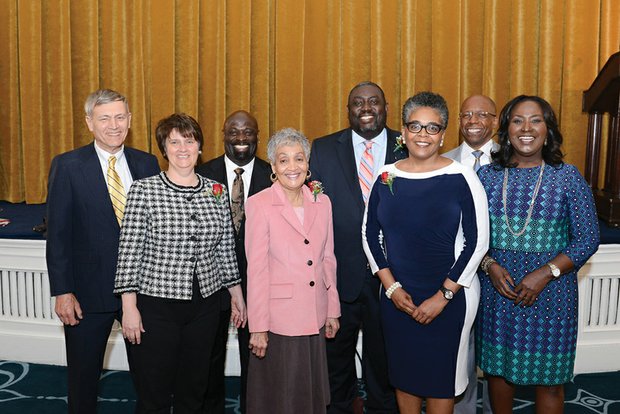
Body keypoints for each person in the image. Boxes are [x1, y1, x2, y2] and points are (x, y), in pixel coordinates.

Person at [362, 91, 489, 414]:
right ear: (403, 132)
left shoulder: (462, 177)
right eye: (415, 126)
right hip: (397, 298)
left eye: (432, 128)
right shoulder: (385, 175)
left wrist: (443, 296)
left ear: (443, 134)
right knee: (404, 375)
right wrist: (391, 288)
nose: (423, 134)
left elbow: (478, 243)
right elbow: (369, 234)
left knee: (440, 379)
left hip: (449, 298)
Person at [114, 113, 246, 413]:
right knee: (155, 392)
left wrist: (237, 295)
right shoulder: (144, 191)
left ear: (200, 146)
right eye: (174, 141)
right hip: (156, 307)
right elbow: (129, 252)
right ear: (164, 148)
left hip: (206, 307)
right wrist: (129, 307)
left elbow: (225, 248)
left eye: (189, 140)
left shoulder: (217, 191)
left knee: (195, 388)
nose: (183, 148)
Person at [476, 95, 600, 414]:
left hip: (553, 295)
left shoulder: (568, 177)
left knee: (550, 380)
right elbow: (473, 237)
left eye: (536, 120)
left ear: (548, 129)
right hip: (499, 292)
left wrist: (545, 273)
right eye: (517, 120)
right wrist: (488, 265)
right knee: (499, 373)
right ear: (506, 129)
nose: (526, 128)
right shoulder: (486, 177)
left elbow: (587, 238)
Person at [45, 89, 160, 413]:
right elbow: (59, 235)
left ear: (130, 120)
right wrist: (63, 291)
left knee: (150, 378)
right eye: (105, 118)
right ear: (89, 123)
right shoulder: (67, 166)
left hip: (141, 294)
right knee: (83, 381)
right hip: (86, 294)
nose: (114, 125)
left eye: (120, 117)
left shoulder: (147, 163)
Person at [309, 81, 404, 414]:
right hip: (339, 272)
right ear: (348, 109)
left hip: (393, 277)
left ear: (385, 107)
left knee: (385, 357)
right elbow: (312, 212)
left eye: (374, 101)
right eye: (358, 103)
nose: (366, 108)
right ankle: (341, 406)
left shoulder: (407, 146)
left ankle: (382, 408)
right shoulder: (321, 149)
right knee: (336, 358)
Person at [245, 128, 341, 414]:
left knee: (308, 397)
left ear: (308, 165)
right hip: (279, 321)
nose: (292, 167)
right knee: (282, 397)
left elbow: (328, 258)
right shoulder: (259, 204)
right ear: (273, 167)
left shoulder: (322, 202)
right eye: (283, 160)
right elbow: (257, 269)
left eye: (299, 159)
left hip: (314, 313)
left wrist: (332, 309)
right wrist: (258, 327)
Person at [196, 110, 272, 414]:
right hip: (212, 283)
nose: (241, 139)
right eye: (234, 132)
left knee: (256, 354)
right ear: (223, 135)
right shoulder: (203, 173)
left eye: (248, 132)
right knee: (209, 355)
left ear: (257, 136)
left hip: (259, 284)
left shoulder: (274, 175)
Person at [443, 94, 499, 414]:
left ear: (494, 120)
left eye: (482, 114)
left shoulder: (512, 160)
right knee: (460, 350)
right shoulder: (443, 161)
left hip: (501, 272)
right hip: (455, 270)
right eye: (466, 114)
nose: (473, 120)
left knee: (494, 355)